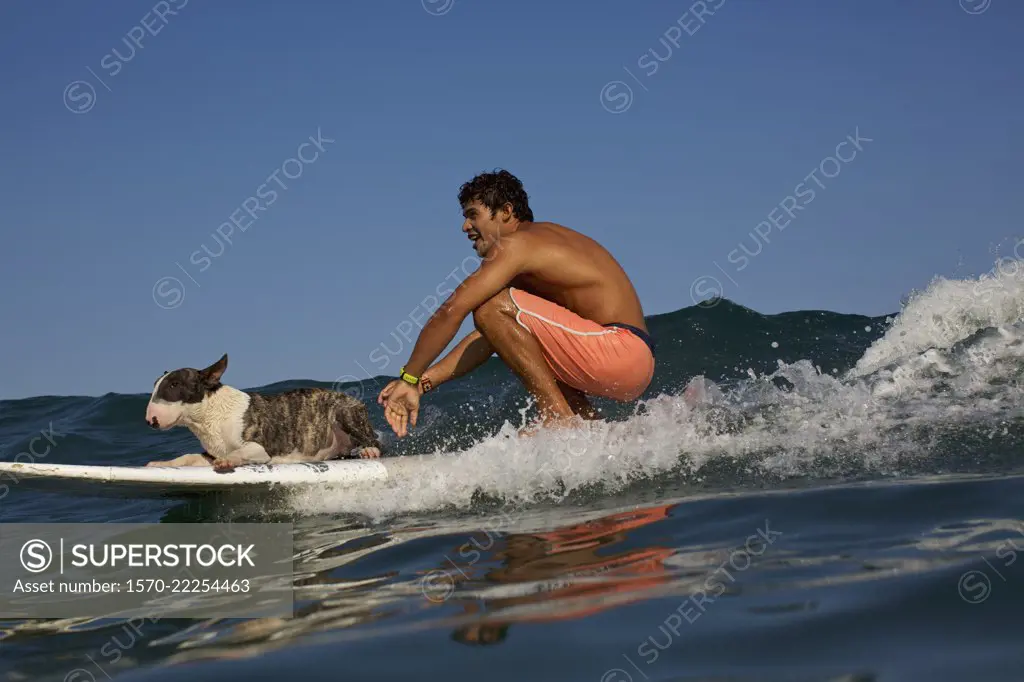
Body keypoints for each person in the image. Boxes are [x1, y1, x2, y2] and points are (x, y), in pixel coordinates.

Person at [377, 169, 655, 437]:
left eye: (473, 215)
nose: (465, 227)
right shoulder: (539, 248)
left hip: (618, 348)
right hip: (630, 359)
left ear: (506, 212)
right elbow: (489, 336)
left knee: (489, 305)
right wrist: (423, 384)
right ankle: (589, 426)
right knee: (510, 330)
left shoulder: (517, 245)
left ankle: (557, 417)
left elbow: (452, 310)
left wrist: (408, 377)